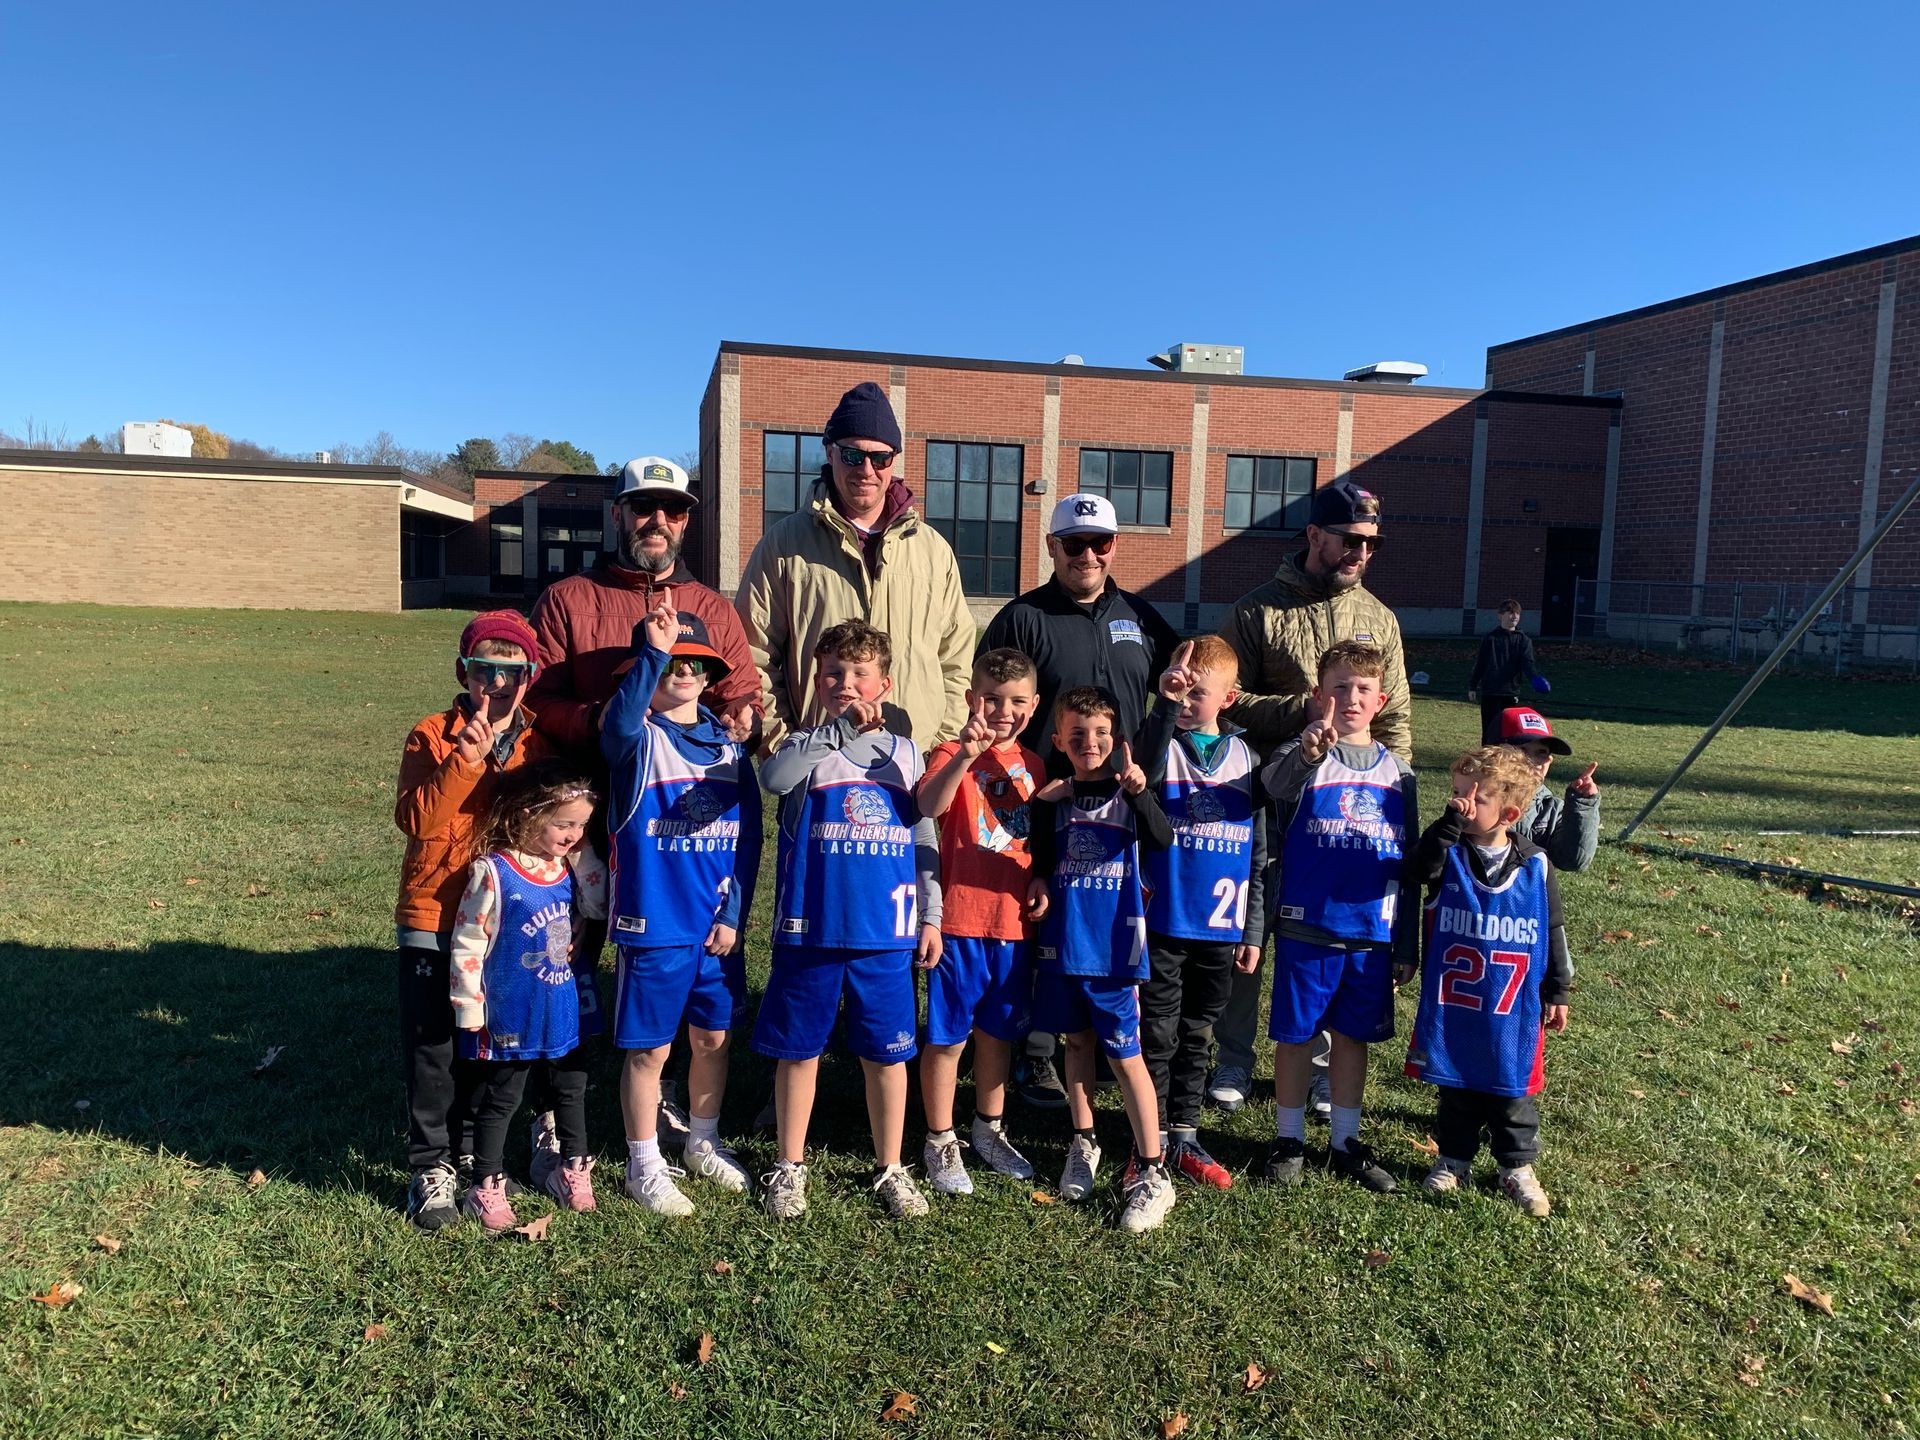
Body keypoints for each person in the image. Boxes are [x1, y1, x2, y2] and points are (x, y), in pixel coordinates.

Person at [526, 454, 761, 1152]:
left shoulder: (713, 608)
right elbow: (537, 699)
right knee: (562, 963)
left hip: (668, 826)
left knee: (669, 976)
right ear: (619, 514)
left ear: (688, 519)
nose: (657, 521)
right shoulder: (571, 598)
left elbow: (736, 691)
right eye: (643, 507)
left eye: (673, 509)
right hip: (579, 816)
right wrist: (601, 721)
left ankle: (661, 1107)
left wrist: (745, 713)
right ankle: (553, 1112)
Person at [1210, 479, 1411, 1117]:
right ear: (1314, 536)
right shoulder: (1257, 610)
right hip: (1265, 794)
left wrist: (1395, 790)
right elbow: (1227, 701)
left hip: (1346, 804)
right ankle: (1234, 1058)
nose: (1360, 553)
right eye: (1350, 540)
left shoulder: (1379, 618)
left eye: (1371, 544)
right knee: (1251, 927)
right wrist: (1303, 712)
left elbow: (1395, 714)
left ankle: (1323, 1067)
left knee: (1328, 932)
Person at [978, 492, 1181, 1110]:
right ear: (1052, 548)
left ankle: (1104, 1040)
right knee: (1046, 918)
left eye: (1100, 543)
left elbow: (1175, 690)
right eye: (1074, 544)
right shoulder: (1022, 616)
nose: (1088, 555)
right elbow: (993, 696)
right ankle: (1035, 1055)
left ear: (1115, 546)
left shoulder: (1142, 617)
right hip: (1047, 799)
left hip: (1121, 802)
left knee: (1106, 919)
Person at [754, 621, 943, 1221]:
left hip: (883, 935)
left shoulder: (908, 754)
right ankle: (789, 1164)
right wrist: (833, 731)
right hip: (810, 929)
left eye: (860, 674)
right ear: (817, 680)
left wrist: (931, 915)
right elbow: (773, 780)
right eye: (833, 673)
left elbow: (923, 839)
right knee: (800, 1051)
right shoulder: (804, 748)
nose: (846, 684)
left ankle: (890, 1164)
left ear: (883, 683)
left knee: (886, 1056)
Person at [601, 589, 763, 1217]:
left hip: (715, 929)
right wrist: (652, 651)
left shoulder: (728, 746)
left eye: (694, 664)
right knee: (650, 1050)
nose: (684, 673)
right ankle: (645, 1160)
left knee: (713, 1039)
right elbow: (614, 726)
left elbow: (749, 839)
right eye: (673, 665)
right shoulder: (638, 738)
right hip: (655, 922)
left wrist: (733, 916)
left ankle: (702, 1140)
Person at [393, 609, 553, 1232]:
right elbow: (416, 822)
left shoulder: (540, 743)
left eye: (513, 673)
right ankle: (429, 1166)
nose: (498, 685)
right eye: (485, 671)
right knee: (432, 1044)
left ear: (529, 677)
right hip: (434, 910)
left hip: (506, 920)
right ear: (465, 671)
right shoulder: (432, 734)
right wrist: (462, 762)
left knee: (486, 1042)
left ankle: (473, 1153)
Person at [1255, 641, 1416, 1194]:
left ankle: (1345, 1141)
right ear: (1318, 695)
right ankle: (1289, 1138)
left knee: (1352, 1038)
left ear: (1381, 701)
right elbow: (1272, 790)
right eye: (1339, 687)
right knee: (1297, 1036)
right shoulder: (1302, 753)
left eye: (1362, 689)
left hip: (1371, 931)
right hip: (1308, 925)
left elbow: (1412, 864)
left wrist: (1405, 943)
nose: (1350, 698)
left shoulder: (1400, 775)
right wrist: (1304, 753)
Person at [736, 383, 973, 755]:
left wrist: (941, 747)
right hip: (820, 764)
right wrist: (786, 743)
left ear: (894, 460)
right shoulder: (784, 545)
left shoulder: (933, 550)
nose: (867, 470)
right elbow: (754, 654)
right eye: (852, 455)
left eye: (880, 458)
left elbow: (956, 660)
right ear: (830, 453)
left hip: (912, 764)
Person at [1026, 687, 1177, 1234]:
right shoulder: (1055, 798)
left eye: (1100, 733)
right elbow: (1039, 855)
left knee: (1125, 1054)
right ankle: (1083, 1139)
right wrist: (1041, 871)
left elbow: (1162, 839)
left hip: (1114, 950)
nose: (1089, 742)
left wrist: (1139, 792)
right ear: (1061, 740)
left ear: (1116, 740)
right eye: (1077, 733)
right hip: (1066, 944)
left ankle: (1153, 1167)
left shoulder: (1129, 792)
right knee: (1077, 1044)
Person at [1398, 744, 1572, 1217]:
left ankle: (1516, 1167)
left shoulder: (1536, 864)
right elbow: (1415, 870)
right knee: (1456, 1087)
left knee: (1511, 1090)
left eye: (1474, 798)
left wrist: (1557, 988)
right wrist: (1448, 825)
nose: (1460, 803)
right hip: (1456, 1003)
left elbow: (1551, 928)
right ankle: (1453, 1159)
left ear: (1509, 813)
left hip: (1513, 1005)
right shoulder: (1448, 850)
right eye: (1456, 793)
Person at [448, 760, 608, 1232]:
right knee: (503, 1095)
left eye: (581, 825)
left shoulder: (570, 867)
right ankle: (486, 1184)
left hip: (561, 1003)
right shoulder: (494, 871)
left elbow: (598, 906)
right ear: (527, 815)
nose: (573, 834)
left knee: (572, 1088)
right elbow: (468, 941)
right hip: (512, 1003)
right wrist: (468, 1003)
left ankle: (572, 1170)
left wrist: (583, 858)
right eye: (564, 824)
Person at [1133, 637, 1266, 1191]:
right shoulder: (1165, 744)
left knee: (1197, 1032)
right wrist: (1164, 706)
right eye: (1179, 688)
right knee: (1157, 1032)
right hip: (1165, 918)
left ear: (1228, 698)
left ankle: (1185, 1131)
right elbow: (1140, 764)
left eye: (1198, 692)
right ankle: (1151, 1135)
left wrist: (1252, 927)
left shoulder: (1248, 759)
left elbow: (1259, 855)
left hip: (1221, 926)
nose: (1187, 700)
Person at [916, 648, 1045, 1196]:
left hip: (1013, 925)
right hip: (960, 921)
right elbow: (927, 805)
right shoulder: (950, 751)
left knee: (998, 1033)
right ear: (971, 699)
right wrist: (966, 757)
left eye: (1017, 701)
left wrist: (1041, 876)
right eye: (991, 698)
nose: (1003, 710)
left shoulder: (1036, 766)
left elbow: (1037, 840)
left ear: (1034, 706)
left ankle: (988, 1128)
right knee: (948, 1037)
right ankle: (939, 1137)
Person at [1498, 706, 1600, 872]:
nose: (1533, 761)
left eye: (1541, 752)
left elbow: (1573, 860)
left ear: (1549, 761)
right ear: (1494, 753)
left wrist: (1582, 806)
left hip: (1530, 896)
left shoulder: (1550, 810)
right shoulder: (1478, 798)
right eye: (1522, 750)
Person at [1469, 599, 1550, 745]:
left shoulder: (1524, 640)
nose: (1514, 617)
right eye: (1510, 613)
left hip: (1510, 692)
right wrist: (1472, 686)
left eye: (1517, 613)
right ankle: (1487, 760)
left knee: (1508, 730)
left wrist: (1534, 678)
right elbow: (1480, 663)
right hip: (1490, 692)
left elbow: (1528, 663)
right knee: (1489, 728)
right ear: (1500, 615)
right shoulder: (1490, 638)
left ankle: (1506, 760)